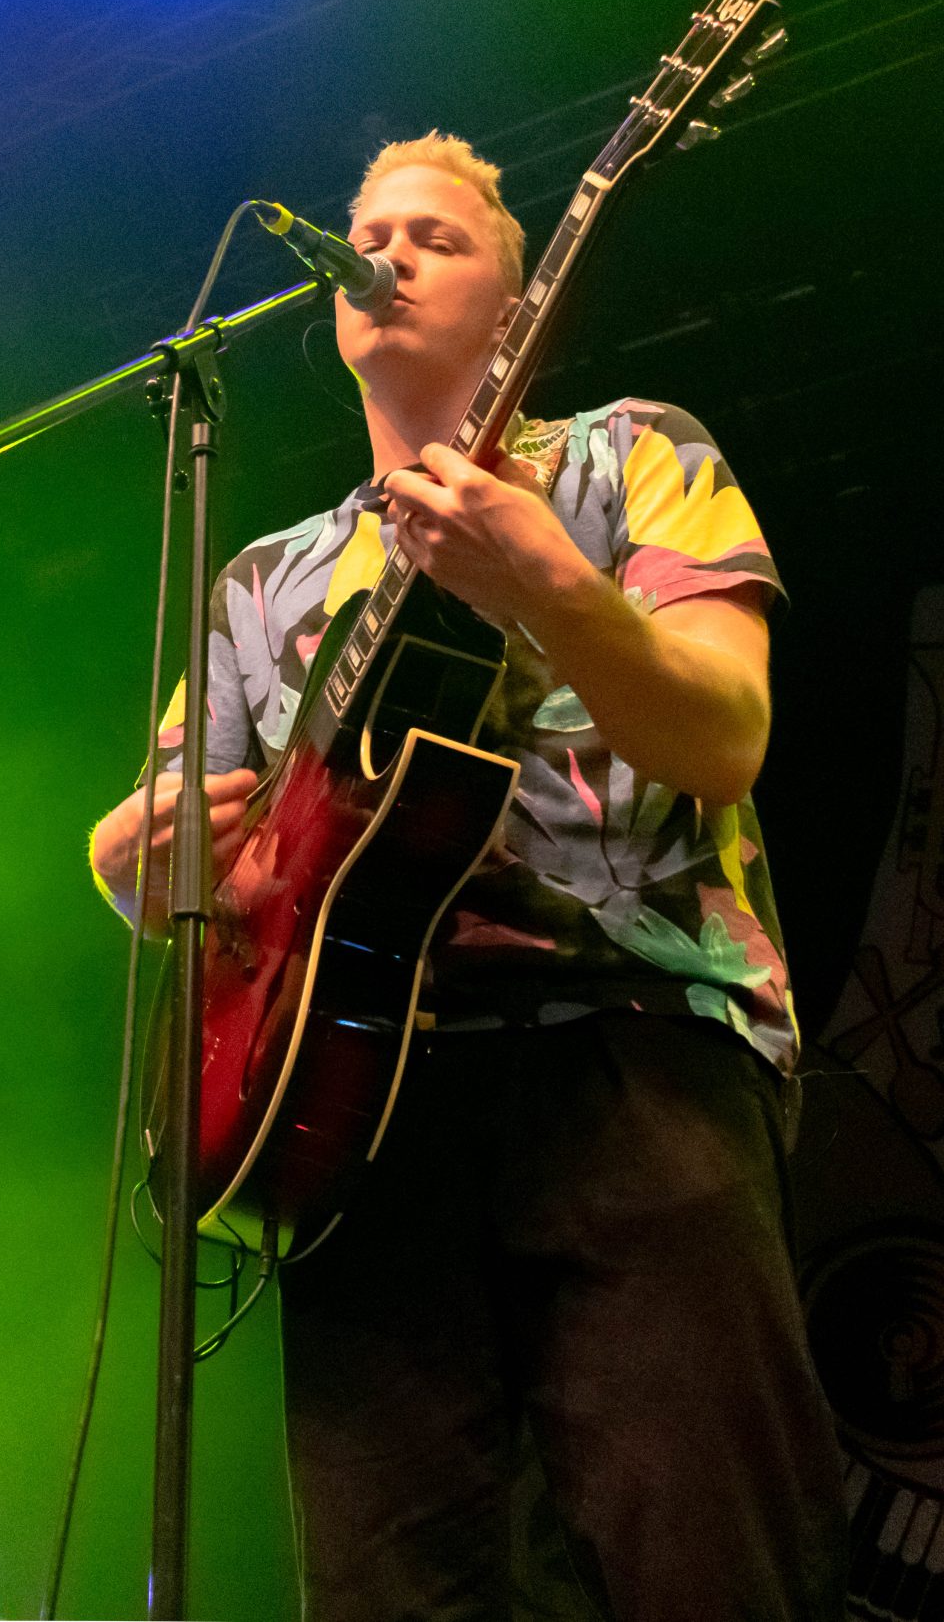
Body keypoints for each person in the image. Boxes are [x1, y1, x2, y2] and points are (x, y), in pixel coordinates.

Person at [89, 134, 846, 1619]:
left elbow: (727, 733)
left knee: (707, 1563)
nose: (389, 251)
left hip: (633, 1059)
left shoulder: (634, 452)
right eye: (371, 232)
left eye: (435, 234)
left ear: (519, 298)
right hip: (356, 1118)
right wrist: (134, 859)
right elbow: (187, 842)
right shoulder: (260, 575)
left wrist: (548, 585)